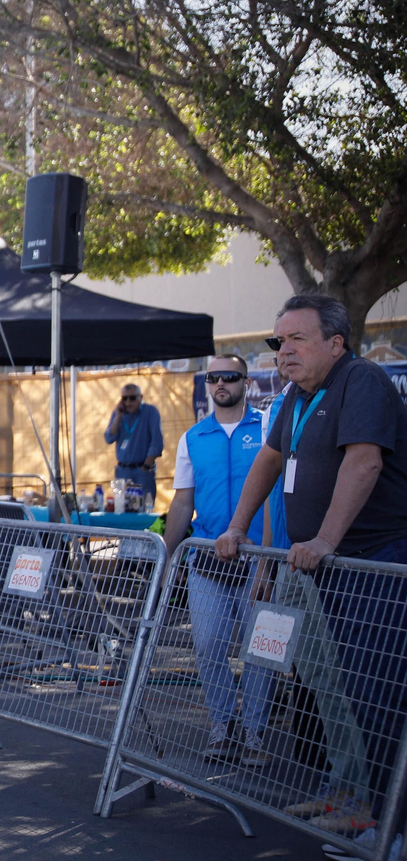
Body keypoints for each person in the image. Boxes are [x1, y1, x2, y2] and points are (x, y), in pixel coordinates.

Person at [216, 295, 407, 843]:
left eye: (297, 339)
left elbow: (364, 460)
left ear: (336, 343)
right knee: (336, 688)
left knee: (379, 693)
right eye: (278, 342)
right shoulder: (295, 398)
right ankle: (356, 799)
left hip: (375, 562)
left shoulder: (362, 381)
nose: (283, 351)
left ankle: (388, 828)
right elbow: (269, 462)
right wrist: (235, 527)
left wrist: (326, 538)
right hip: (324, 567)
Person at [164, 353, 274, 766]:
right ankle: (223, 726)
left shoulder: (266, 426)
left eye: (229, 377)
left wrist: (270, 560)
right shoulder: (192, 437)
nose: (220, 384)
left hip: (259, 557)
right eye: (213, 378)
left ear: (246, 382)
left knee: (259, 650)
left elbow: (277, 495)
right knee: (209, 646)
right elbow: (182, 502)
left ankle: (255, 733)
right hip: (207, 557)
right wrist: (168, 558)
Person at [104, 383, 163, 499]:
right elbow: (109, 438)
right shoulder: (117, 414)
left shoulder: (150, 412)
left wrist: (146, 467)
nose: (128, 402)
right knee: (122, 509)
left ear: (141, 397)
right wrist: (118, 417)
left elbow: (156, 442)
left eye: (132, 398)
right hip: (123, 470)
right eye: (124, 398)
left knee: (144, 509)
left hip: (142, 469)